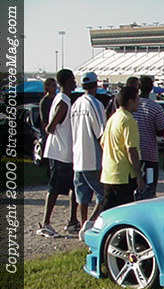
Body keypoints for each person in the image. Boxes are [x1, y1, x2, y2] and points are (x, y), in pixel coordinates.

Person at [36, 69, 79, 238]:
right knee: (54, 189)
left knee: (74, 187)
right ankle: (45, 223)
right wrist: (53, 128)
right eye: (73, 79)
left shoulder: (63, 99)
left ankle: (72, 221)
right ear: (67, 81)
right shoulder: (63, 102)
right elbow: (51, 127)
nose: (75, 82)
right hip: (59, 152)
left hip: (67, 152)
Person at [70, 71, 107, 240]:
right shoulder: (95, 104)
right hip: (93, 157)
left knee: (82, 196)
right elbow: (101, 133)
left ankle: (83, 221)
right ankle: (90, 223)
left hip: (78, 157)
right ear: (96, 85)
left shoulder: (76, 104)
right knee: (104, 194)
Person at [100, 86, 145, 211]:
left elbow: (103, 143)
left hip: (109, 172)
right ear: (130, 101)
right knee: (124, 211)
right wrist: (139, 175)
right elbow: (131, 150)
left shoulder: (113, 118)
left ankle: (93, 221)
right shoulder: (128, 120)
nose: (139, 102)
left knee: (107, 209)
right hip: (123, 175)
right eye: (137, 99)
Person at [132, 75, 164, 199]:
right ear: (151, 88)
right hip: (150, 156)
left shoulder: (131, 106)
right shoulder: (155, 107)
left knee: (133, 188)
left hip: (133, 155)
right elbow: (162, 130)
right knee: (149, 187)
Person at [38, 78, 57, 151]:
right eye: (53, 85)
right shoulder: (44, 101)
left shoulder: (57, 98)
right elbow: (44, 120)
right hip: (49, 131)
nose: (55, 87)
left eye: (55, 85)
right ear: (47, 87)